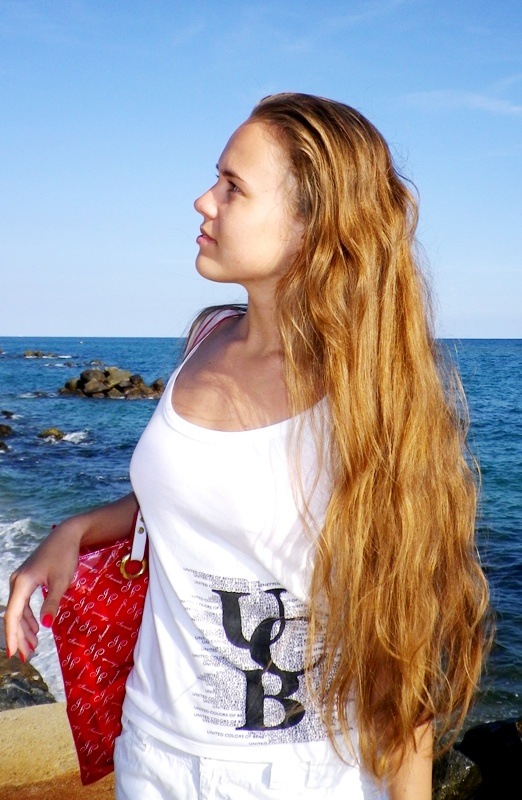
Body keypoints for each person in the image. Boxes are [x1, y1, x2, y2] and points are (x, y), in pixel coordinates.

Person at [4, 93, 491, 799]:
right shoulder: (206, 337)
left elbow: (403, 653)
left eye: (233, 186)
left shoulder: (369, 402)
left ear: (313, 225)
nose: (203, 201)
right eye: (216, 178)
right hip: (154, 753)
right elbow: (182, 498)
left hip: (304, 773)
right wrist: (73, 530)